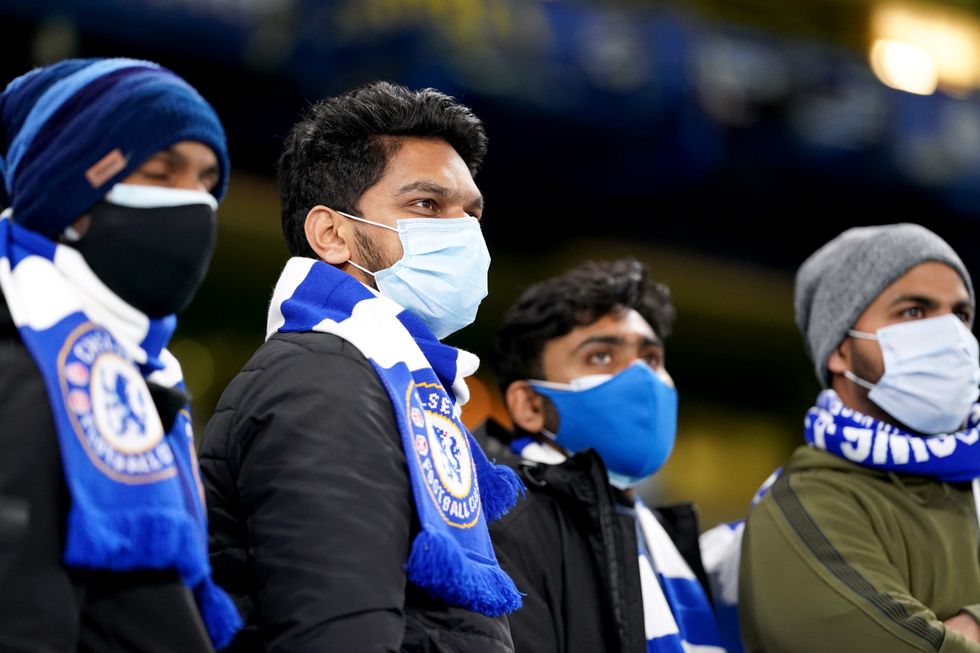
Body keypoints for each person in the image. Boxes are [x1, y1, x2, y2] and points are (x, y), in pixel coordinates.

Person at [200, 81, 522, 653]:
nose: (462, 232)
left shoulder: (391, 380)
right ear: (331, 234)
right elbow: (337, 627)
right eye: (426, 205)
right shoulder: (323, 381)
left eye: (470, 212)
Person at [0, 58, 240, 652]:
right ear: (71, 198)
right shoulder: (24, 367)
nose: (195, 204)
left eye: (208, 182)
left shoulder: (146, 369)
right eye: (161, 173)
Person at [739, 224, 980, 653]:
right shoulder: (807, 502)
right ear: (840, 348)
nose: (950, 336)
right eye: (914, 312)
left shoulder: (970, 479)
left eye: (960, 315)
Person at [482, 258, 725, 653]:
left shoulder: (657, 532)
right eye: (600, 357)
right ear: (530, 405)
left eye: (650, 359)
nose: (641, 379)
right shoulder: (502, 529)